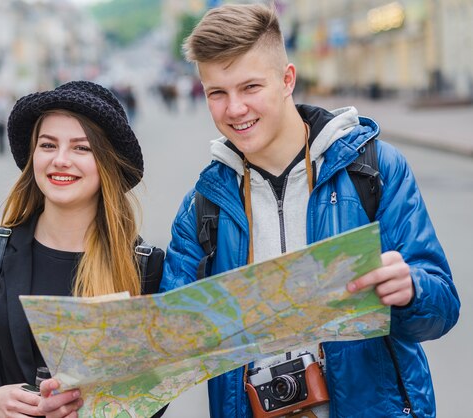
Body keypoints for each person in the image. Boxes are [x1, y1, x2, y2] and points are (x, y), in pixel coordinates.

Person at [160, 4, 459, 418]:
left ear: (287, 80)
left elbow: (442, 310)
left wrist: (411, 291)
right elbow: (170, 346)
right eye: (217, 93)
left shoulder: (373, 169)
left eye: (250, 87)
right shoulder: (202, 206)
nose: (234, 109)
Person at [0, 81, 167, 418]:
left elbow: (157, 392)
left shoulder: (145, 266)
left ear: (106, 162)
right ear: (33, 155)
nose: (60, 160)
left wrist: (95, 411)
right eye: (48, 145)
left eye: (81, 148)